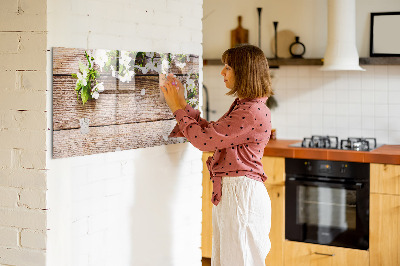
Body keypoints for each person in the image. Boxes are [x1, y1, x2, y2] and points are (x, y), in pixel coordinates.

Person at [161, 44, 273, 266]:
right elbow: (212, 133)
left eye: (228, 67)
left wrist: (176, 108)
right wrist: (182, 104)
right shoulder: (246, 106)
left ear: (244, 72)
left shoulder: (250, 111)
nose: (222, 72)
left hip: (241, 196)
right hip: (236, 194)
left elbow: (204, 141)